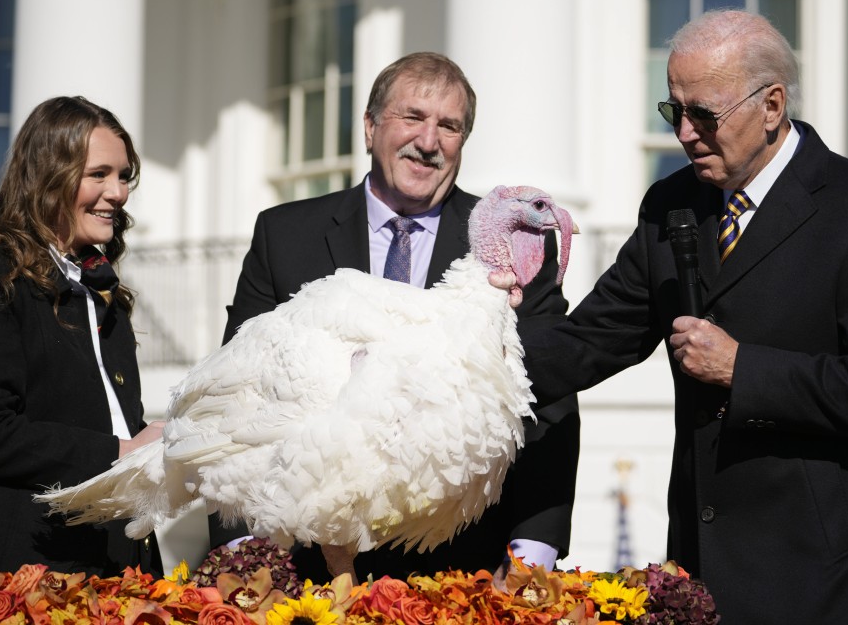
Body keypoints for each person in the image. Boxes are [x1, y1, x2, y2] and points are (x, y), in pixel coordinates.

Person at [511, 10, 848, 623]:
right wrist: (468, 366)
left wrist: (742, 368)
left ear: (772, 106)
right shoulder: (671, 204)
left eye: (703, 114)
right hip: (699, 572)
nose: (684, 132)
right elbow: (592, 339)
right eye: (671, 111)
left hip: (824, 579)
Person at [210, 51, 580, 583]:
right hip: (304, 572)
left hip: (461, 573)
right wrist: (245, 555)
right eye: (412, 117)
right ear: (369, 126)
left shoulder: (510, 247)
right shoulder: (284, 236)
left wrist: (531, 555)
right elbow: (238, 395)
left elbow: (550, 395)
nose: (428, 142)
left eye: (448, 126)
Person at [0, 96, 164, 575]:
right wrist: (121, 454)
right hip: (25, 577)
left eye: (123, 175)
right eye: (99, 174)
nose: (119, 193)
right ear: (48, 177)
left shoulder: (103, 289)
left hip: (121, 570)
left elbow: (117, 425)